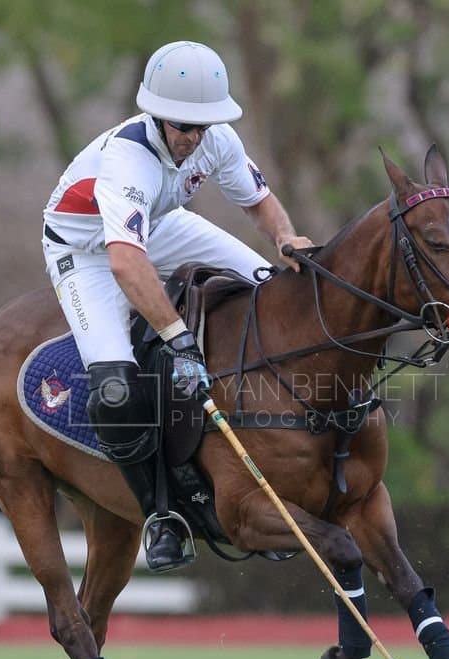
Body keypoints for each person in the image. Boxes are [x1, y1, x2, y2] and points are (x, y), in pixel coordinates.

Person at [42, 41, 313, 572]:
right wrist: (178, 339)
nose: (191, 139)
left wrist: (285, 237)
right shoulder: (127, 159)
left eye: (200, 127)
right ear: (156, 116)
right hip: (86, 249)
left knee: (272, 290)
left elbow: (257, 201)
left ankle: (272, 487)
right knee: (115, 390)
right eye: (181, 126)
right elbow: (125, 263)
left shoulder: (217, 139)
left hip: (159, 225)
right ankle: (161, 517)